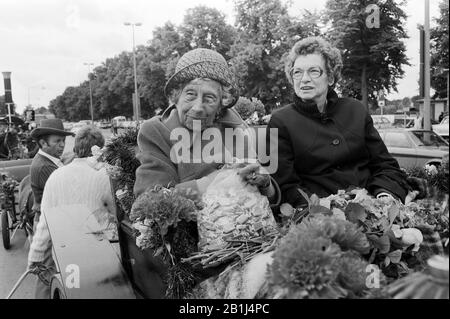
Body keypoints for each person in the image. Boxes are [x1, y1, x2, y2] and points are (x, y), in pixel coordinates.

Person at [266, 37, 411, 208]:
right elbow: (284, 186)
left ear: (331, 77)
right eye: (297, 72)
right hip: (319, 216)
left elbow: (385, 165)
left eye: (313, 71)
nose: (304, 79)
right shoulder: (280, 121)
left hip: (372, 205)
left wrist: (383, 196)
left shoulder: (355, 110)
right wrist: (324, 207)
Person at [134, 48, 280, 205]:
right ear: (176, 97)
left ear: (221, 105)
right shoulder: (156, 131)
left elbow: (265, 201)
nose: (197, 107)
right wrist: (212, 183)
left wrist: (266, 184)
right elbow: (149, 202)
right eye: (190, 94)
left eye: (209, 98)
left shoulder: (236, 129)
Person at [27, 126, 116, 298]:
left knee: (74, 291)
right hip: (100, 252)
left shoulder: (56, 176)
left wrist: (35, 255)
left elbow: (45, 221)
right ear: (100, 148)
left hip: (66, 252)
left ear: (75, 148)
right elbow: (115, 214)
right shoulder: (105, 174)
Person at [28, 118, 74, 298]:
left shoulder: (49, 160)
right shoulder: (44, 167)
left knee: (49, 273)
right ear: (42, 142)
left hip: (52, 221)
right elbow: (65, 195)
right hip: (48, 226)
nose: (62, 145)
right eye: (57, 141)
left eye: (63, 141)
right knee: (46, 277)